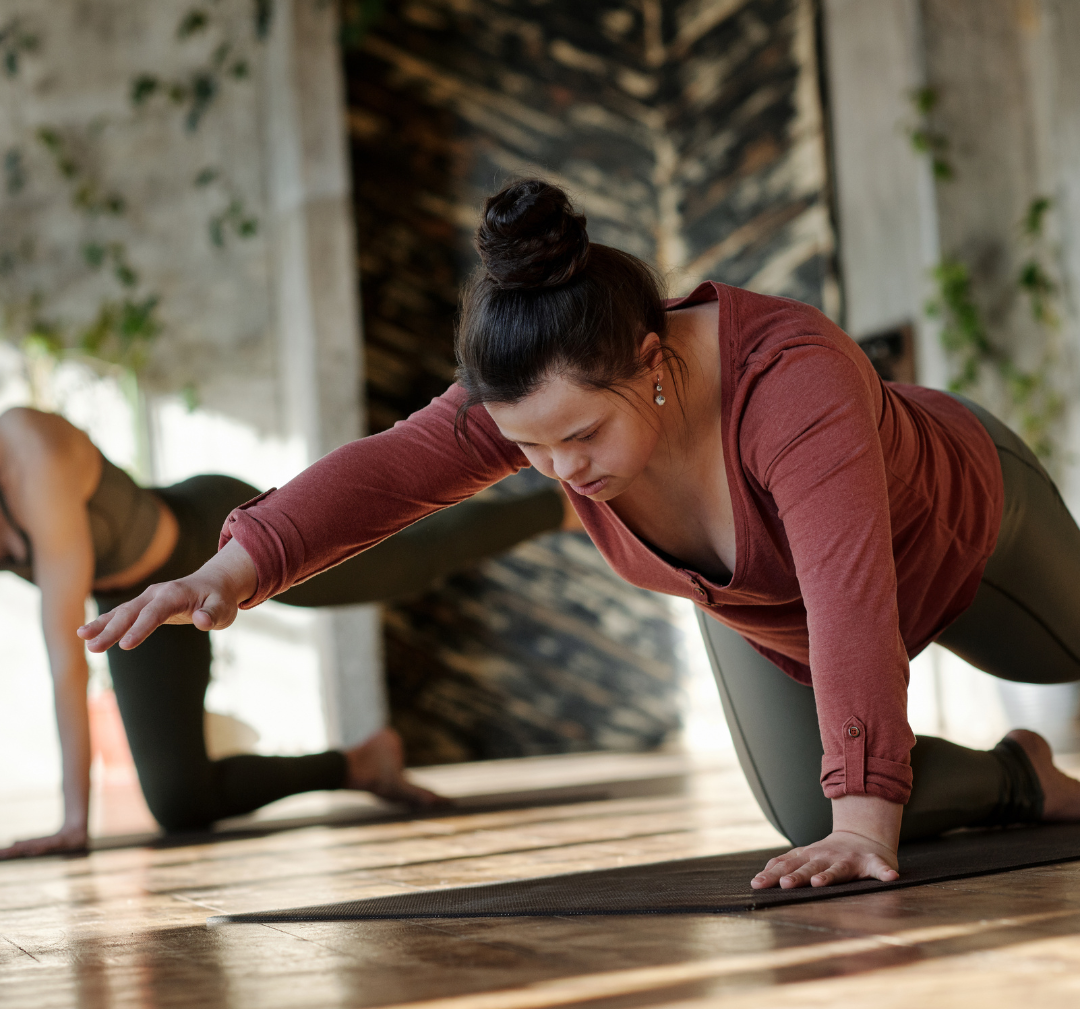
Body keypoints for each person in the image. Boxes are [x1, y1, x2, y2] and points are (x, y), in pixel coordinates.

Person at [81, 178, 1080, 891]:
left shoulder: (792, 381)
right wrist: (229, 571)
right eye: (531, 448)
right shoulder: (547, 395)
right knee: (808, 819)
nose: (561, 470)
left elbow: (848, 597)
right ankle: (1023, 777)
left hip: (959, 523)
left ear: (653, 359)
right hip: (769, 613)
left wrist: (871, 813)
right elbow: (387, 470)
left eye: (582, 435)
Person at [0, 405, 570, 857]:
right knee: (181, 802)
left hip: (198, 536)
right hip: (139, 607)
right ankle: (360, 765)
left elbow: (66, 654)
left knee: (405, 563)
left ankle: (563, 505)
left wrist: (74, 822)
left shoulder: (32, 449)